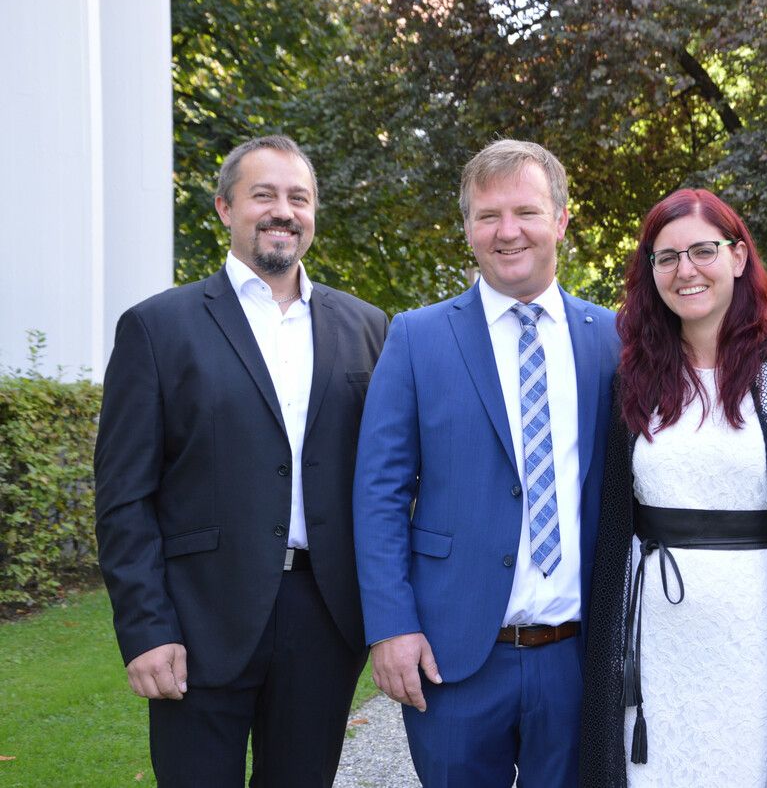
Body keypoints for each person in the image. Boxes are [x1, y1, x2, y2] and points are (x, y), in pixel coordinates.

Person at [94, 134, 390, 786]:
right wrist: (146, 628)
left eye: (298, 198)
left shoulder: (370, 329)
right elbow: (123, 497)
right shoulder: (157, 328)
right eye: (264, 195)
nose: (282, 211)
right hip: (199, 620)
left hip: (324, 619)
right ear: (227, 208)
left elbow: (388, 482)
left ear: (313, 214)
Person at [352, 139, 619, 787]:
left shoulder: (613, 338)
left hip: (578, 657)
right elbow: (379, 494)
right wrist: (391, 628)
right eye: (487, 215)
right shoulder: (417, 337)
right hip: (454, 656)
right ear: (467, 228)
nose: (507, 232)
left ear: (559, 221)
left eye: (525, 212)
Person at [580, 188, 767, 787]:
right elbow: (614, 520)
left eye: (702, 251)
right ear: (650, 272)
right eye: (666, 257)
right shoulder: (635, 375)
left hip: (759, 636)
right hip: (655, 639)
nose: (685, 271)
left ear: (738, 257)